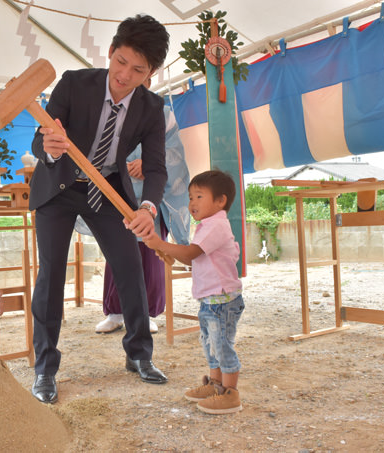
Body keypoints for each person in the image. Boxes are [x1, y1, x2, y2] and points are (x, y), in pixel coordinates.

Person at [29, 14, 171, 404]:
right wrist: (49, 148)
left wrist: (146, 206)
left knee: (130, 267)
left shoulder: (151, 107)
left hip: (107, 190)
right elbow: (38, 141)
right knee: (51, 275)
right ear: (111, 52)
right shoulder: (75, 83)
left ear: (151, 73)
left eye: (138, 69)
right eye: (121, 61)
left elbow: (156, 166)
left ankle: (139, 356)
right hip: (58, 187)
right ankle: (45, 368)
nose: (124, 74)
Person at [144, 170, 245, 414]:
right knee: (210, 345)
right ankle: (215, 385)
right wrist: (167, 251)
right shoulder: (206, 226)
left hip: (222, 301)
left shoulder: (217, 225)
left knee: (221, 346)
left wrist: (160, 243)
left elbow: (191, 254)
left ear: (220, 201)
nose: (192, 203)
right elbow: (193, 259)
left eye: (199, 196)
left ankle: (231, 394)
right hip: (210, 300)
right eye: (190, 197)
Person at [94, 100, 191, 335]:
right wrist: (120, 166)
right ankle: (115, 312)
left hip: (151, 195)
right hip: (120, 192)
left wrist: (148, 163)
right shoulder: (112, 110)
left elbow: (176, 152)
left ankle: (146, 312)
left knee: (150, 255)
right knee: (117, 253)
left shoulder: (163, 112)